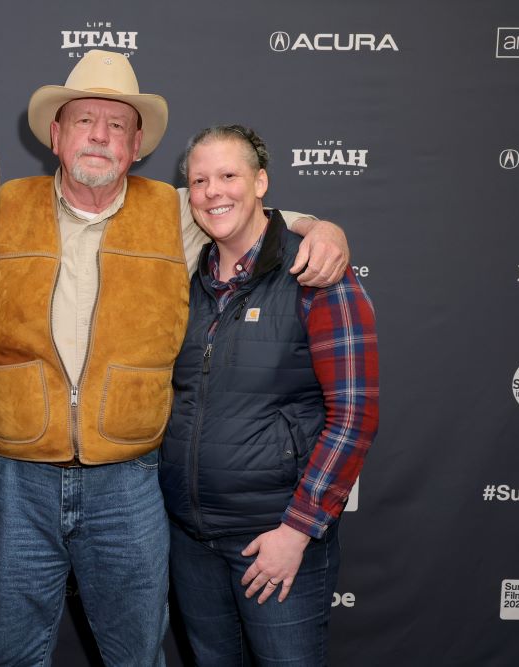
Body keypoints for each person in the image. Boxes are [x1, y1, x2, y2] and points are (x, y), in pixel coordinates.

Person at [0, 51, 350, 666]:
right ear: (55, 135)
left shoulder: (176, 211)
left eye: (117, 125)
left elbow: (252, 216)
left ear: (138, 143)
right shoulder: (4, 205)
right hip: (19, 478)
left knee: (136, 655)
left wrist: (324, 227)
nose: (100, 135)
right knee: (16, 654)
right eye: (85, 121)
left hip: (129, 479)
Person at [160, 124, 379, 666]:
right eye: (200, 181)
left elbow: (355, 416)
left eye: (229, 176)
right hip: (191, 540)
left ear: (261, 182)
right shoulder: (184, 279)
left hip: (275, 540)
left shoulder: (316, 272)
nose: (214, 192)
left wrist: (299, 530)